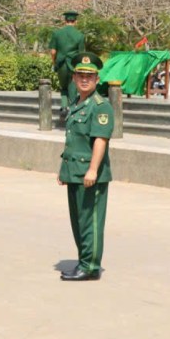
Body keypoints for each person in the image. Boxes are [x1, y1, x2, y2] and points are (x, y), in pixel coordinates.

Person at [57, 52, 113, 282]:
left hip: (91, 174)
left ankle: (90, 266)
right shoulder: (77, 103)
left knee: (91, 222)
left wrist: (92, 169)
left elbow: (100, 140)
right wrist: (64, 169)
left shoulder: (100, 106)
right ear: (73, 78)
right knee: (78, 221)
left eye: (89, 76)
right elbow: (72, 140)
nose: (84, 79)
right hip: (74, 172)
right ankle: (83, 261)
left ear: (97, 79)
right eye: (80, 75)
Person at [49, 11, 86, 117]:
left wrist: (54, 62)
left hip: (61, 64)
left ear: (65, 21)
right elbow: (81, 54)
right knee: (73, 87)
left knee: (63, 87)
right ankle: (73, 109)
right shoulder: (80, 35)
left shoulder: (57, 33)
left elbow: (53, 52)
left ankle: (64, 106)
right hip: (74, 65)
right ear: (76, 21)